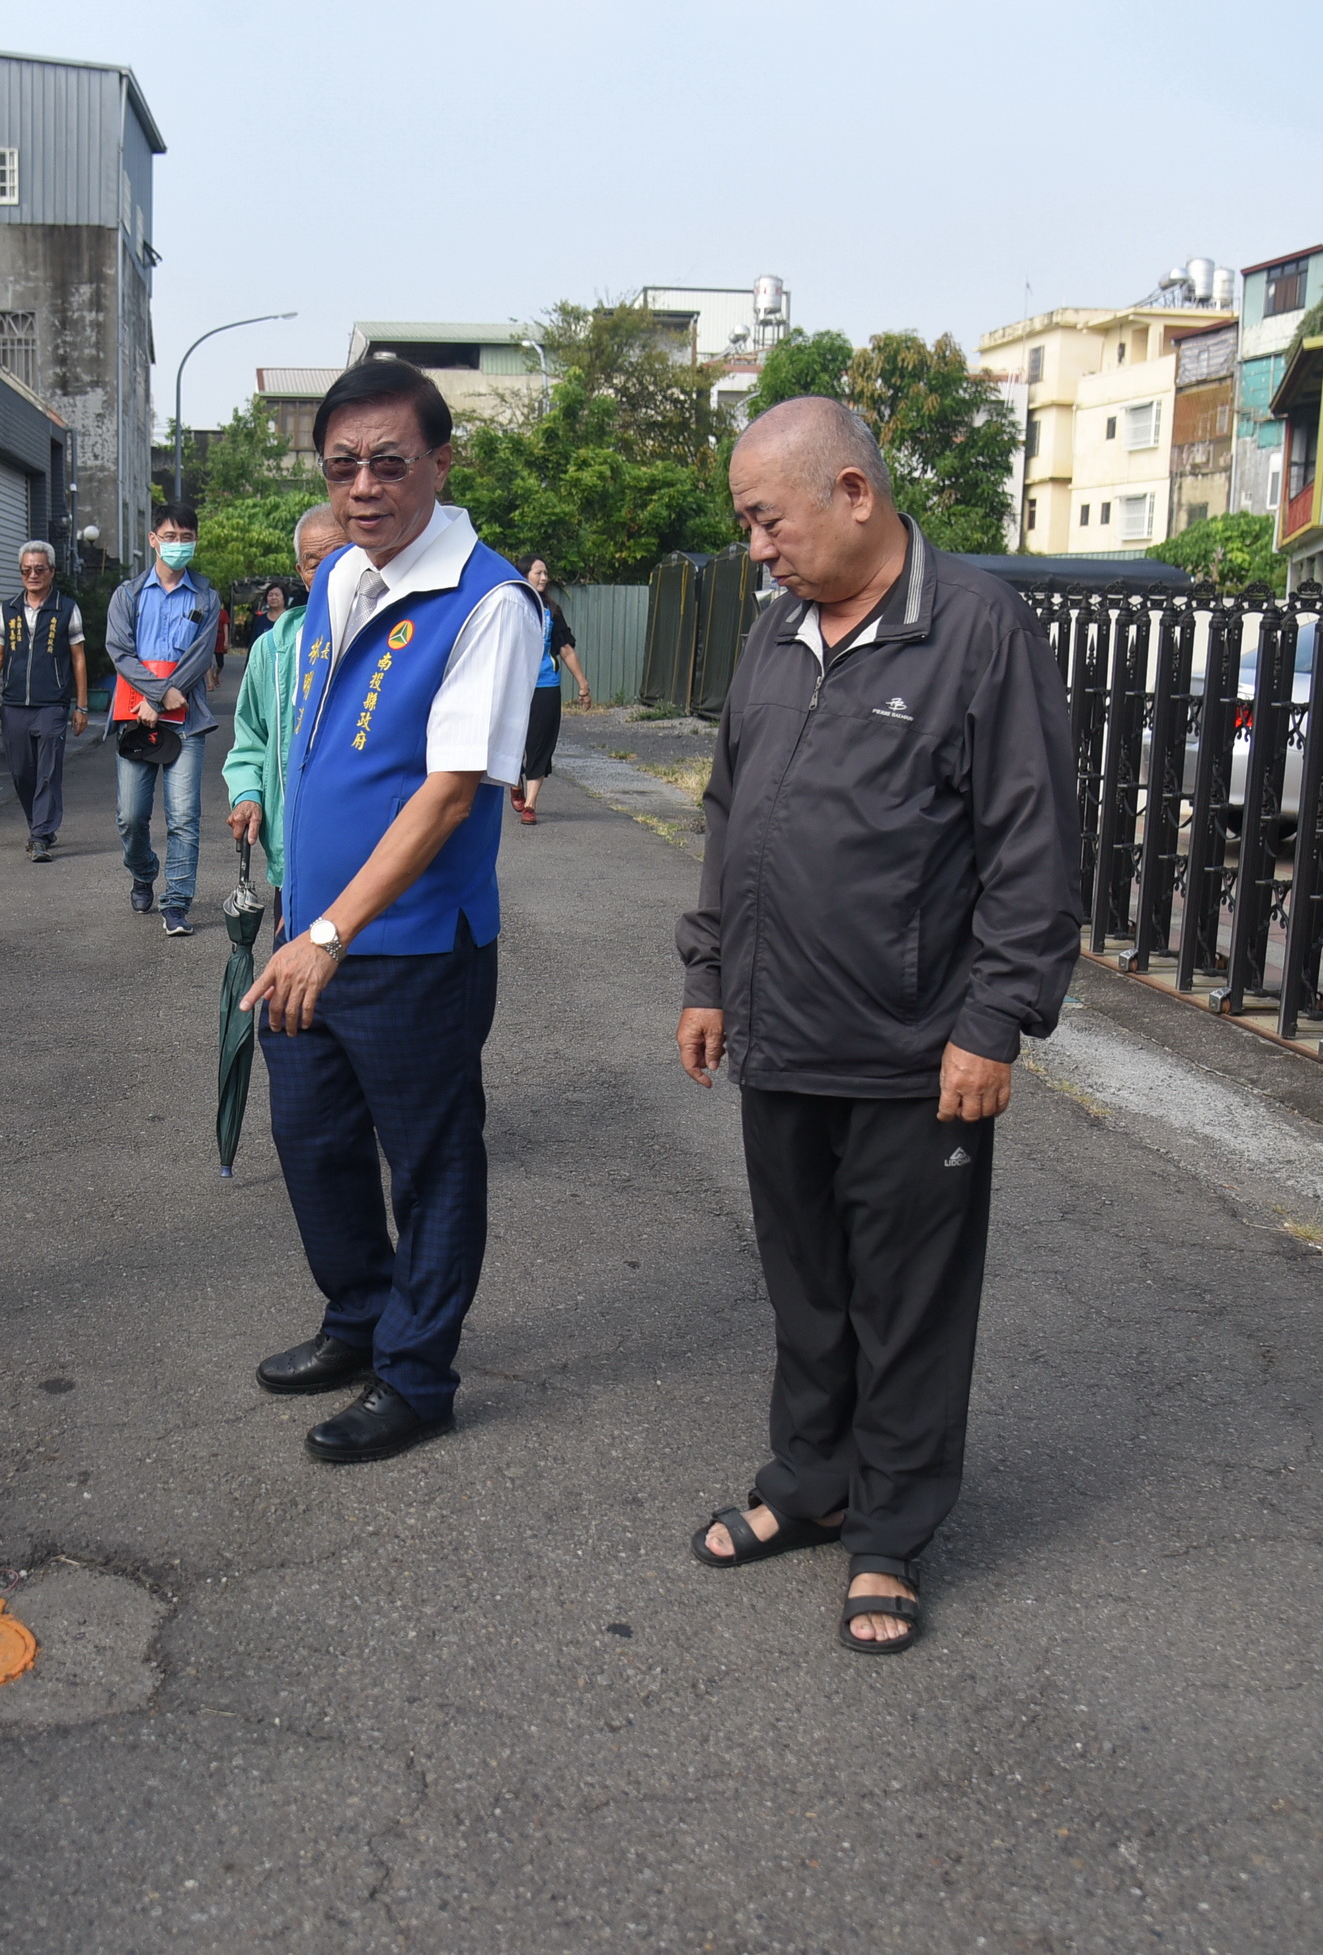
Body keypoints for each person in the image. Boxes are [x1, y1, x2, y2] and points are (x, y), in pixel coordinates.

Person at [674, 396, 1079, 1650]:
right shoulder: (775, 633)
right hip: (778, 1032)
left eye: (765, 518)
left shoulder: (973, 631)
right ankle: (807, 1480)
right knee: (804, 1286)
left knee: (904, 1297)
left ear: (853, 492)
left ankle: (891, 1530)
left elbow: (1032, 846)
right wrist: (706, 974)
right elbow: (729, 813)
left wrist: (993, 1019)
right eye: (745, 524)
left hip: (915, 1049)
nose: (755, 547)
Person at [240, 360, 542, 1464]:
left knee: (429, 1159)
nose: (362, 486)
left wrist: (330, 931)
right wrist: (297, 914)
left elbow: (447, 790)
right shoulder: (337, 581)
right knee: (310, 1140)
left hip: (409, 948)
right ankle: (357, 1317)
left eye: (387, 462)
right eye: (340, 466)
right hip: (310, 932)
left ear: (439, 462)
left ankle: (414, 1375)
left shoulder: (489, 602)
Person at [106, 501, 226, 936]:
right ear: (154, 539)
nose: (179, 545)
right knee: (131, 816)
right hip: (134, 717)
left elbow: (199, 657)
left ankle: (176, 903)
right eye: (170, 537)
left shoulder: (206, 597)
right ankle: (143, 869)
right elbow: (120, 652)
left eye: (187, 537)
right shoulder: (129, 595)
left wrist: (164, 700)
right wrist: (157, 696)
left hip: (186, 720)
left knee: (183, 815)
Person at [225, 505, 346, 886]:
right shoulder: (273, 649)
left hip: (367, 845)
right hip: (293, 847)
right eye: (313, 563)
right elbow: (250, 739)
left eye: (339, 557)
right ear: (301, 573)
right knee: (293, 943)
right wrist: (247, 794)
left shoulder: (394, 638)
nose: (325, 572)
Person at [0, 540, 89, 862]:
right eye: (27, 570)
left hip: (52, 703)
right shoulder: (7, 609)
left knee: (48, 770)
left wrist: (81, 706)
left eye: (40, 569)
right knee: (22, 772)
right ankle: (41, 824)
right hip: (13, 704)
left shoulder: (66, 608)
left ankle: (39, 835)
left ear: (52, 571)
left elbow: (79, 658)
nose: (33, 575)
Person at [510, 556, 592, 825]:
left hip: (546, 684)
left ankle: (530, 805)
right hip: (515, 685)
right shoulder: (510, 605)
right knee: (513, 741)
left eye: (546, 573)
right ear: (524, 576)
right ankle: (513, 780)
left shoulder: (552, 611)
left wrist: (582, 684)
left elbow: (566, 648)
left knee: (540, 744)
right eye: (538, 573)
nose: (544, 578)